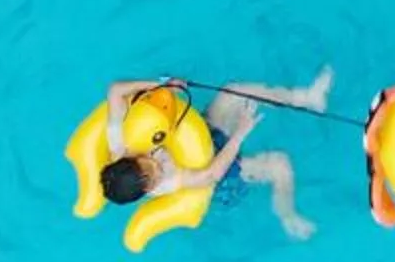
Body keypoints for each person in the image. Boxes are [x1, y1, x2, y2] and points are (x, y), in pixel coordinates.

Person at [99, 69, 333, 240]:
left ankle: (306, 98)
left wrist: (162, 86)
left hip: (200, 136)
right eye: (152, 176)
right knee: (280, 164)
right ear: (146, 190)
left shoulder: (120, 141)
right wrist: (240, 133)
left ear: (127, 157)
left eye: (147, 163)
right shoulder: (164, 182)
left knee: (234, 90)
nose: (156, 166)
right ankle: (287, 213)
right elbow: (212, 174)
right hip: (216, 173)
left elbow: (115, 90)